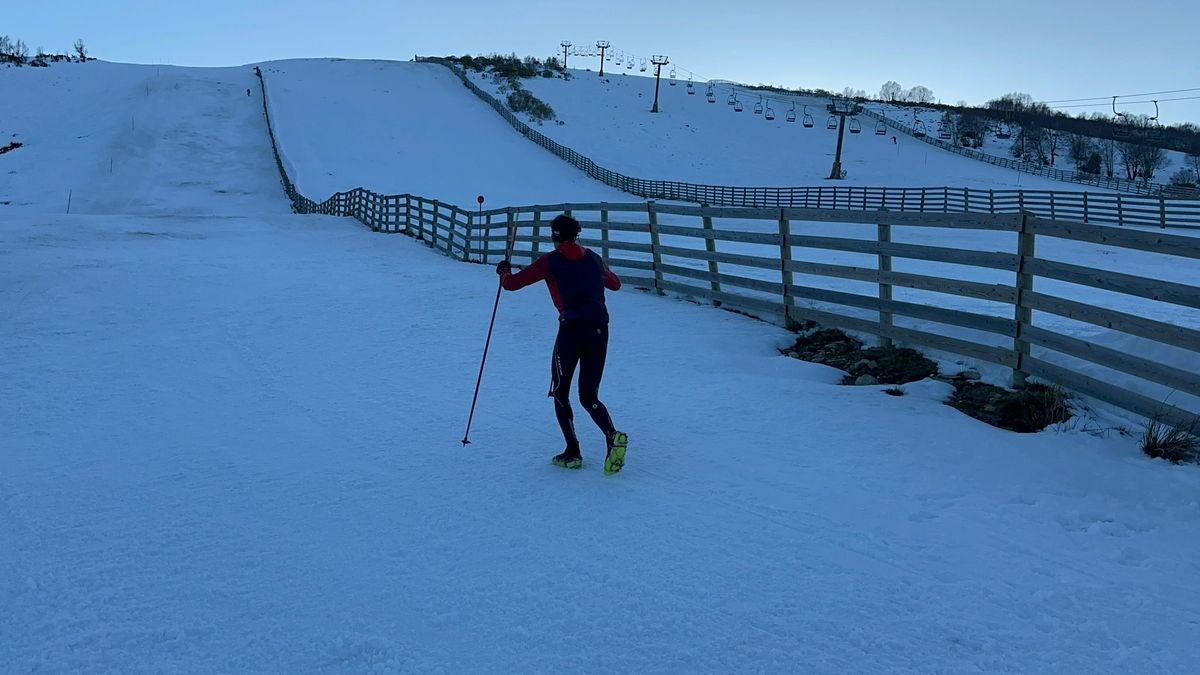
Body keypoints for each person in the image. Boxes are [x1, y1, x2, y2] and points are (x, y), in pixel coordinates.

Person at [496, 214, 628, 474]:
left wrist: (504, 271)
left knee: (560, 391)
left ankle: (572, 451)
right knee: (589, 395)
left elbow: (511, 285)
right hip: (600, 329)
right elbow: (615, 284)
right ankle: (613, 436)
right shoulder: (593, 257)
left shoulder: (551, 261)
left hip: (571, 330)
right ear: (576, 233)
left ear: (553, 235)